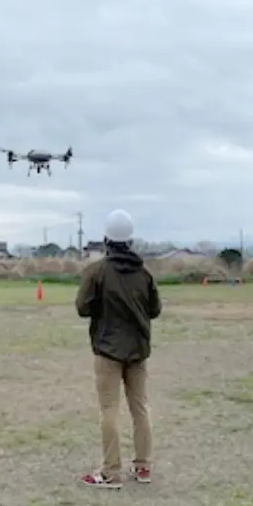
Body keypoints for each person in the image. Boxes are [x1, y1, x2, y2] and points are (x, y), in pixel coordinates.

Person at [75, 209, 162, 489]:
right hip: (138, 349)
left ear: (106, 240)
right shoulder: (144, 274)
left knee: (109, 409)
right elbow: (155, 309)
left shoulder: (96, 272)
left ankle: (111, 471)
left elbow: (82, 308)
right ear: (131, 241)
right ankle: (143, 466)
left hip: (107, 348)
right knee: (140, 407)